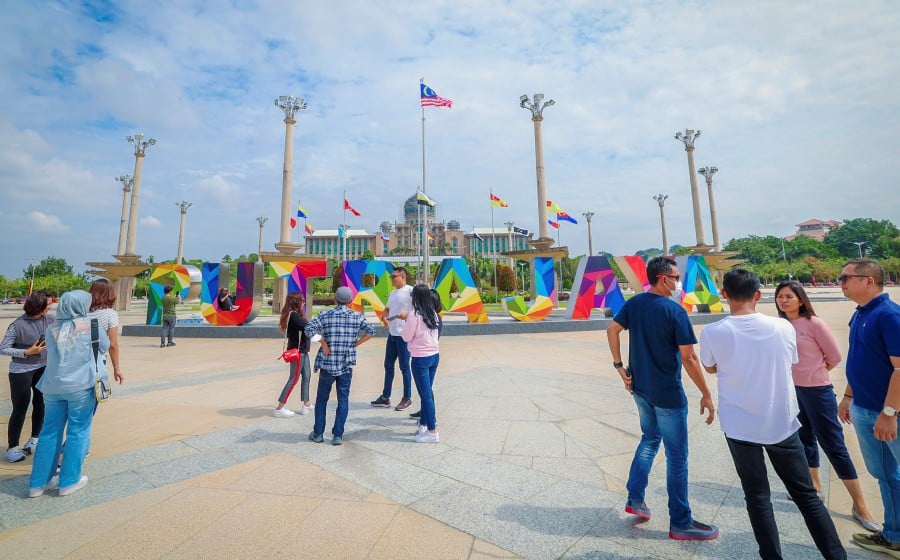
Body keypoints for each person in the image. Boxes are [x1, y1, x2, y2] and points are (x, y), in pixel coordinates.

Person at [700, 270, 846, 559]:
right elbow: (791, 360)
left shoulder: (713, 332)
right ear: (758, 295)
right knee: (806, 495)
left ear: (724, 294)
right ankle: (836, 555)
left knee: (757, 498)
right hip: (781, 422)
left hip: (739, 425)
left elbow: (710, 367)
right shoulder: (783, 328)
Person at [606, 256, 719, 541]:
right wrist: (706, 394)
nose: (678, 281)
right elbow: (689, 357)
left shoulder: (635, 304)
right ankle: (681, 522)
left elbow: (612, 329)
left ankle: (635, 499)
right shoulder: (674, 311)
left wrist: (620, 367)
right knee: (677, 458)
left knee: (649, 439)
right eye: (675, 276)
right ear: (662, 278)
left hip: (640, 389)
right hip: (667, 394)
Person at [775, 280, 879, 532]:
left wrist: (814, 374)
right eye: (780, 296)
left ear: (801, 299)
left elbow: (834, 357)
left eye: (789, 296)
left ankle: (860, 506)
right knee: (804, 438)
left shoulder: (814, 323)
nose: (783, 300)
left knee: (834, 445)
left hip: (818, 392)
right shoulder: (779, 326)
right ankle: (814, 486)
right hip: (793, 392)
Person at [835, 259, 900, 557]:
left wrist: (889, 413)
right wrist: (849, 395)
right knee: (884, 474)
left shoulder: (889, 316)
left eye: (846, 277)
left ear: (869, 281)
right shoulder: (860, 314)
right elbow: (860, 358)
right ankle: (894, 535)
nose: (841, 282)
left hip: (888, 414)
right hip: (863, 406)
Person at [28, 290, 109, 498]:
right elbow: (105, 347)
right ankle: (69, 481)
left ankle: (38, 484)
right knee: (78, 432)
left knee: (48, 432)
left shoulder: (52, 327)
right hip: (80, 387)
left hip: (52, 387)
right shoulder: (91, 326)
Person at [304, 286, 376, 445]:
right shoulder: (357, 316)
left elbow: (308, 329)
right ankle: (337, 435)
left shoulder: (324, 314)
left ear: (335, 299)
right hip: (346, 364)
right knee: (343, 399)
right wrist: (356, 344)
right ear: (350, 302)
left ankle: (318, 433)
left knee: (322, 399)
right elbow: (371, 331)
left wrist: (322, 342)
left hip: (327, 364)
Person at [1, 291, 54, 463]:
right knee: (20, 407)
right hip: (21, 371)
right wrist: (26, 352)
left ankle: (34, 440)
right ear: (38, 306)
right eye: (47, 304)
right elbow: (3, 348)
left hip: (43, 368)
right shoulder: (17, 325)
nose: (50, 306)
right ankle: (12, 447)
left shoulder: (49, 319)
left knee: (40, 403)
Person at [402, 285, 441, 443]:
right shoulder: (433, 314)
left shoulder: (414, 315)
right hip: (434, 356)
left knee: (425, 396)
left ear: (416, 297)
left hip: (420, 359)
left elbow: (406, 336)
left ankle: (433, 432)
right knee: (427, 393)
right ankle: (424, 425)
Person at [371, 267, 414, 411]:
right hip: (393, 334)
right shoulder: (393, 293)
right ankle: (385, 397)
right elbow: (387, 309)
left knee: (404, 367)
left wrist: (406, 315)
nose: (391, 279)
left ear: (402, 276)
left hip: (404, 335)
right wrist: (383, 316)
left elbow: (417, 311)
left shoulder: (411, 291)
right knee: (388, 365)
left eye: (394, 276)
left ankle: (407, 397)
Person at [275, 291, 311, 418]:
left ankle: (306, 404)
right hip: (298, 353)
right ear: (296, 302)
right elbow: (309, 326)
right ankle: (279, 408)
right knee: (293, 379)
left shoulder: (296, 315)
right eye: (301, 300)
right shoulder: (294, 316)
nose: (303, 302)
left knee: (307, 376)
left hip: (303, 351)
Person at [88, 279, 125, 385]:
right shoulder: (110, 314)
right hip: (97, 359)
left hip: (78, 359)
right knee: (93, 395)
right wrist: (116, 368)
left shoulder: (82, 311)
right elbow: (112, 344)